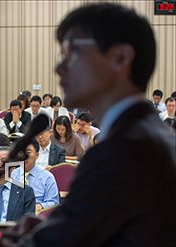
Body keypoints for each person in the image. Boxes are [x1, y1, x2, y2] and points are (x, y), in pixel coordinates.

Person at [17, 4, 176, 246]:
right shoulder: (158, 137)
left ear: (120, 57)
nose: (59, 68)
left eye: (72, 53)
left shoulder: (119, 152)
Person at [11, 141, 60, 212]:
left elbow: (54, 202)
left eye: (28, 152)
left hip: (37, 215)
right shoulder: (14, 174)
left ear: (37, 155)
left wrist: (41, 206)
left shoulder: (47, 177)